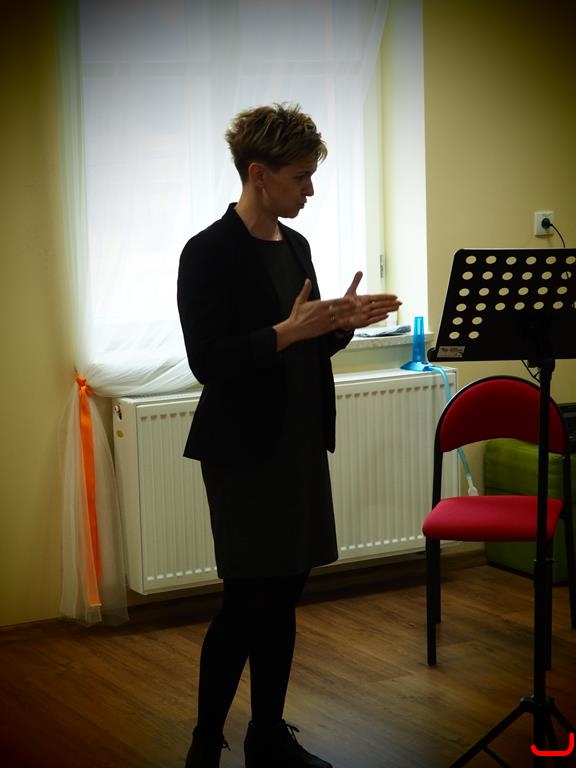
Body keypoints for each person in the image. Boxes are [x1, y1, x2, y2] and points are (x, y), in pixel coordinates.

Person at [177, 103, 401, 768]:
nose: (310, 189)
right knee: (247, 599)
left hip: (299, 443)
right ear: (258, 173)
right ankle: (204, 742)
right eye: (301, 176)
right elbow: (208, 360)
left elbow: (304, 346)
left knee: (284, 596)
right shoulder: (208, 252)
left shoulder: (296, 247)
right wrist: (288, 331)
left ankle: (267, 733)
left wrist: (338, 327)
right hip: (244, 452)